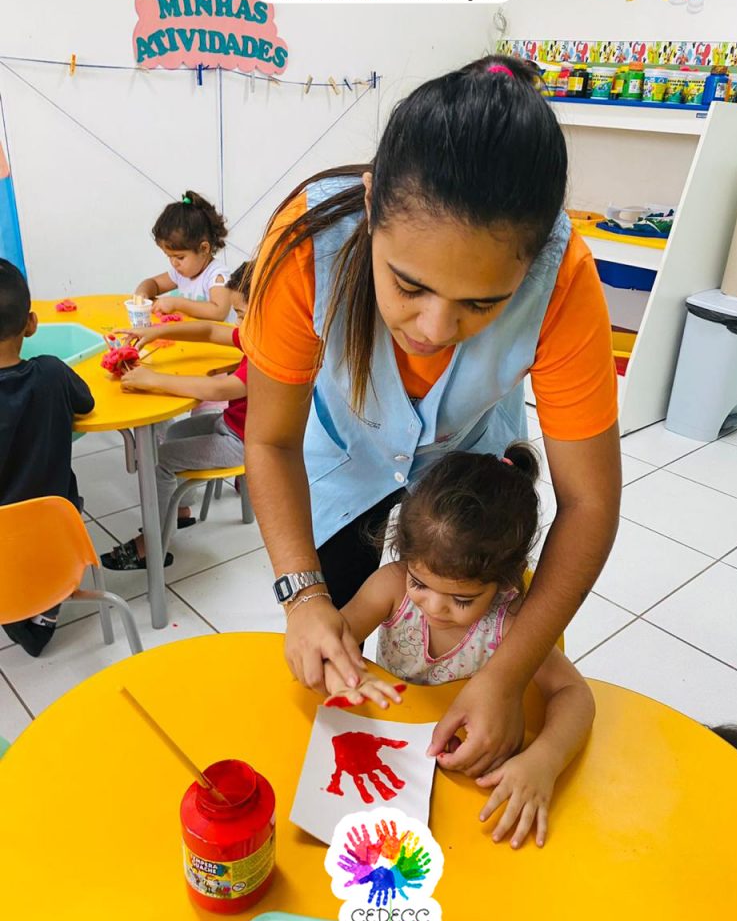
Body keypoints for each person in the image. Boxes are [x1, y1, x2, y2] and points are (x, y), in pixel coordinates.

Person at [240, 55, 621, 777]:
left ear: (532, 261)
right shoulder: (308, 247)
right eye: (409, 286)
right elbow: (269, 440)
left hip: (471, 483)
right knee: (329, 659)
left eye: (483, 303)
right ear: (371, 200)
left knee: (489, 652)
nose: (436, 329)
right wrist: (304, 596)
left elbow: (591, 501)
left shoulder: (564, 280)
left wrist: (506, 675)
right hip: (339, 470)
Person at [323, 444, 595, 849]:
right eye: (420, 583)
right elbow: (335, 640)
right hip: (396, 751)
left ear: (505, 582)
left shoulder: (509, 623)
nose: (434, 607)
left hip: (467, 777)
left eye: (462, 599)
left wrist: (544, 760)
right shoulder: (391, 586)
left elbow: (575, 694)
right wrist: (341, 671)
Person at [101, 264, 250, 570]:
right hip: (231, 425)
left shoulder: (268, 353)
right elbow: (210, 331)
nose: (238, 323)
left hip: (245, 442)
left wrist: (154, 379)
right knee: (170, 436)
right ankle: (179, 511)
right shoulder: (255, 336)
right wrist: (155, 331)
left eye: (241, 315)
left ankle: (151, 547)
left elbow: (219, 387)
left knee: (161, 462)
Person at [0, 258, 94, 655]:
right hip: (56, 530)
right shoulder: (52, 373)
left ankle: (17, 606)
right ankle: (42, 611)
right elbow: (86, 403)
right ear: (31, 324)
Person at [134, 190, 232, 321]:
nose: (174, 263)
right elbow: (154, 283)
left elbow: (219, 312)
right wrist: (142, 293)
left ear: (204, 248)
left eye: (180, 257)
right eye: (169, 256)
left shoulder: (216, 275)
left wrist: (177, 304)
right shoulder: (181, 273)